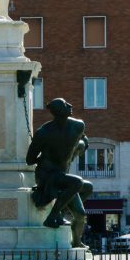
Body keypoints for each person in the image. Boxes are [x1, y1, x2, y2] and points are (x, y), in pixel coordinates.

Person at [26, 98, 93, 248]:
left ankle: (76, 241)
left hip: (63, 177)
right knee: (77, 183)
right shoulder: (43, 132)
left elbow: (84, 140)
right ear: (59, 112)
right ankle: (53, 216)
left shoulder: (77, 126)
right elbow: (29, 160)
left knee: (83, 205)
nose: (70, 105)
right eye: (65, 104)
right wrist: (47, 159)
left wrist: (79, 146)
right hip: (47, 176)